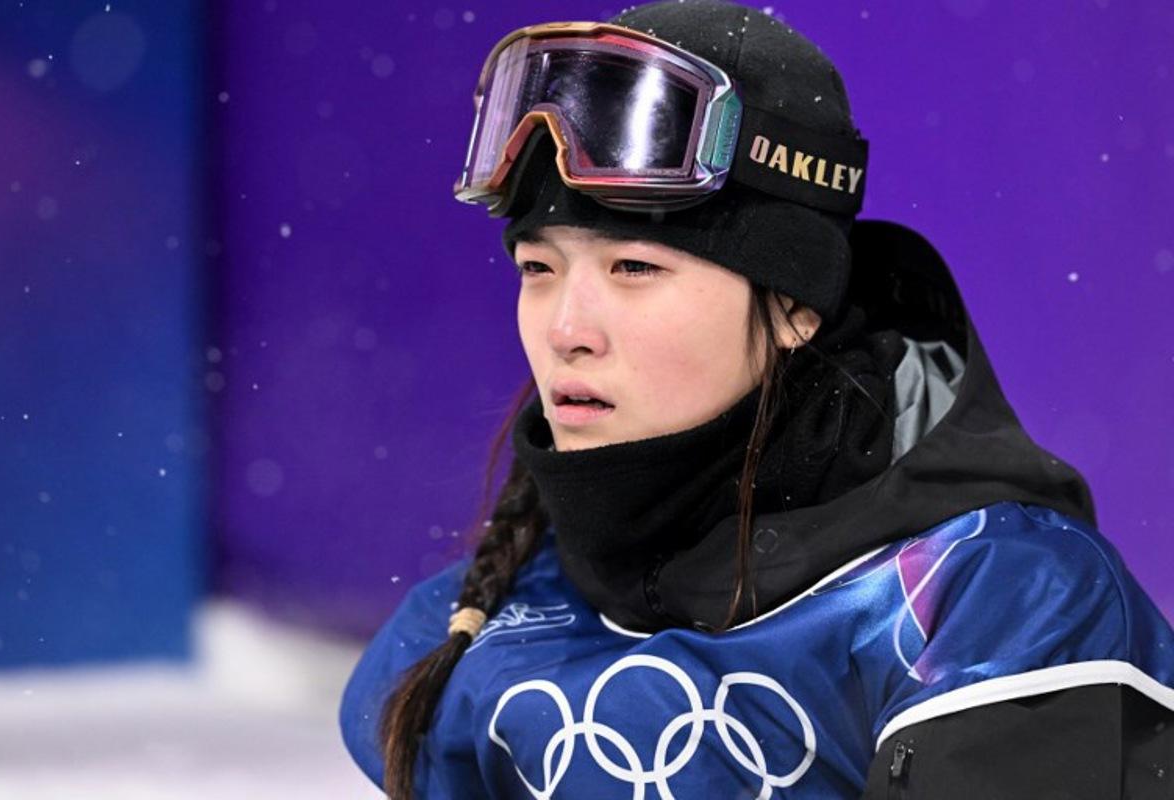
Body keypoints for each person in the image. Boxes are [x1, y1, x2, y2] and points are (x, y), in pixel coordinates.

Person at [339, 1, 1174, 797]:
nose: (566, 329)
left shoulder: (993, 603)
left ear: (794, 307)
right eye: (537, 268)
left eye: (635, 269)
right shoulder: (479, 622)